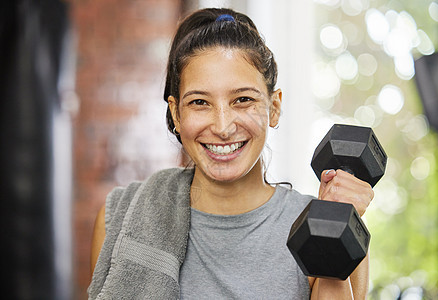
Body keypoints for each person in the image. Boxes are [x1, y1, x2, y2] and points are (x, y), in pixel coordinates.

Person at [88, 8, 374, 300]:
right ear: (176, 114)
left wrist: (336, 222)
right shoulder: (120, 219)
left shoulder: (327, 223)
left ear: (274, 107)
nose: (223, 127)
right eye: (200, 102)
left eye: (243, 100)